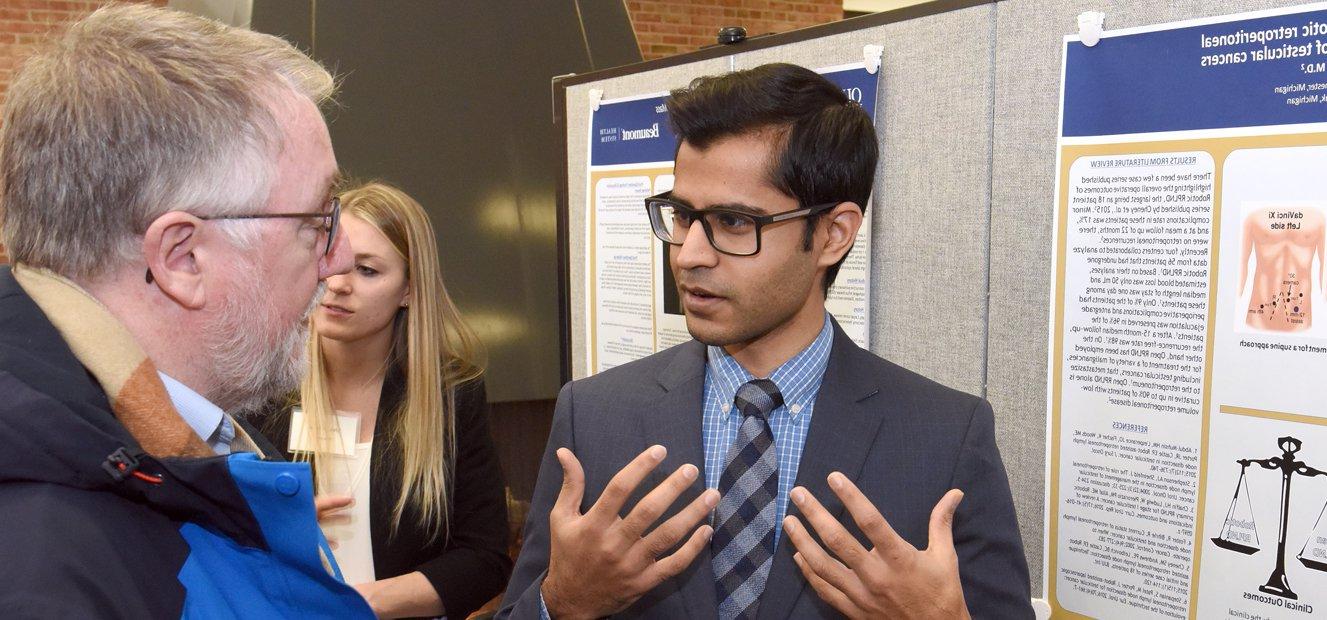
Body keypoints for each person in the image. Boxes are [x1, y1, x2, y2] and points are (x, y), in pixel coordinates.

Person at [497, 63, 1030, 619]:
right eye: (683, 216)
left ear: (832, 234)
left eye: (732, 222)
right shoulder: (595, 415)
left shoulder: (944, 436)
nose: (689, 255)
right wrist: (559, 604)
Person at [0, 5, 371, 616]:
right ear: (183, 259)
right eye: (318, 219)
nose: (340, 258)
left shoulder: (184, 445)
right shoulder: (47, 572)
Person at [260, 182, 513, 618]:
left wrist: (359, 605)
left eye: (367, 270)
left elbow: (484, 559)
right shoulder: (263, 387)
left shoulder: (450, 394)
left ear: (409, 291)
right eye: (330, 261)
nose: (337, 284)